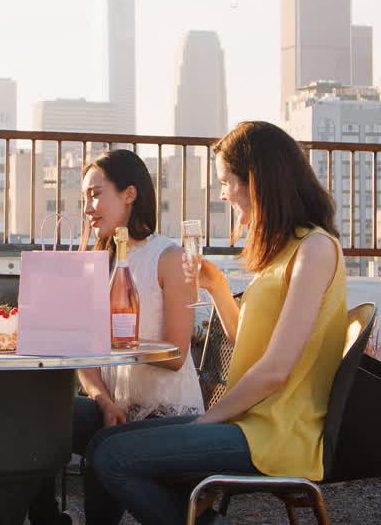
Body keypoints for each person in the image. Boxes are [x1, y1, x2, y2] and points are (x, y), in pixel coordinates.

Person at [88, 121, 348, 525]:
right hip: (249, 422)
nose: (223, 193)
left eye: (227, 182)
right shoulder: (283, 252)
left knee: (113, 457)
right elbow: (246, 343)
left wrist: (210, 417)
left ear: (257, 182)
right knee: (105, 440)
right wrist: (216, 286)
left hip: (275, 433)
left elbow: (276, 369)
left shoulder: (314, 249)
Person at [29, 149, 202, 525]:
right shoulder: (96, 260)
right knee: (36, 417)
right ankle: (46, 519)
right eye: (84, 199)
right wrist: (102, 399)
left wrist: (109, 341)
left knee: (105, 444)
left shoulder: (169, 257)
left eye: (95, 194)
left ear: (129, 194)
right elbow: (86, 358)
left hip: (167, 411)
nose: (88, 208)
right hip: (116, 404)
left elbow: (175, 356)